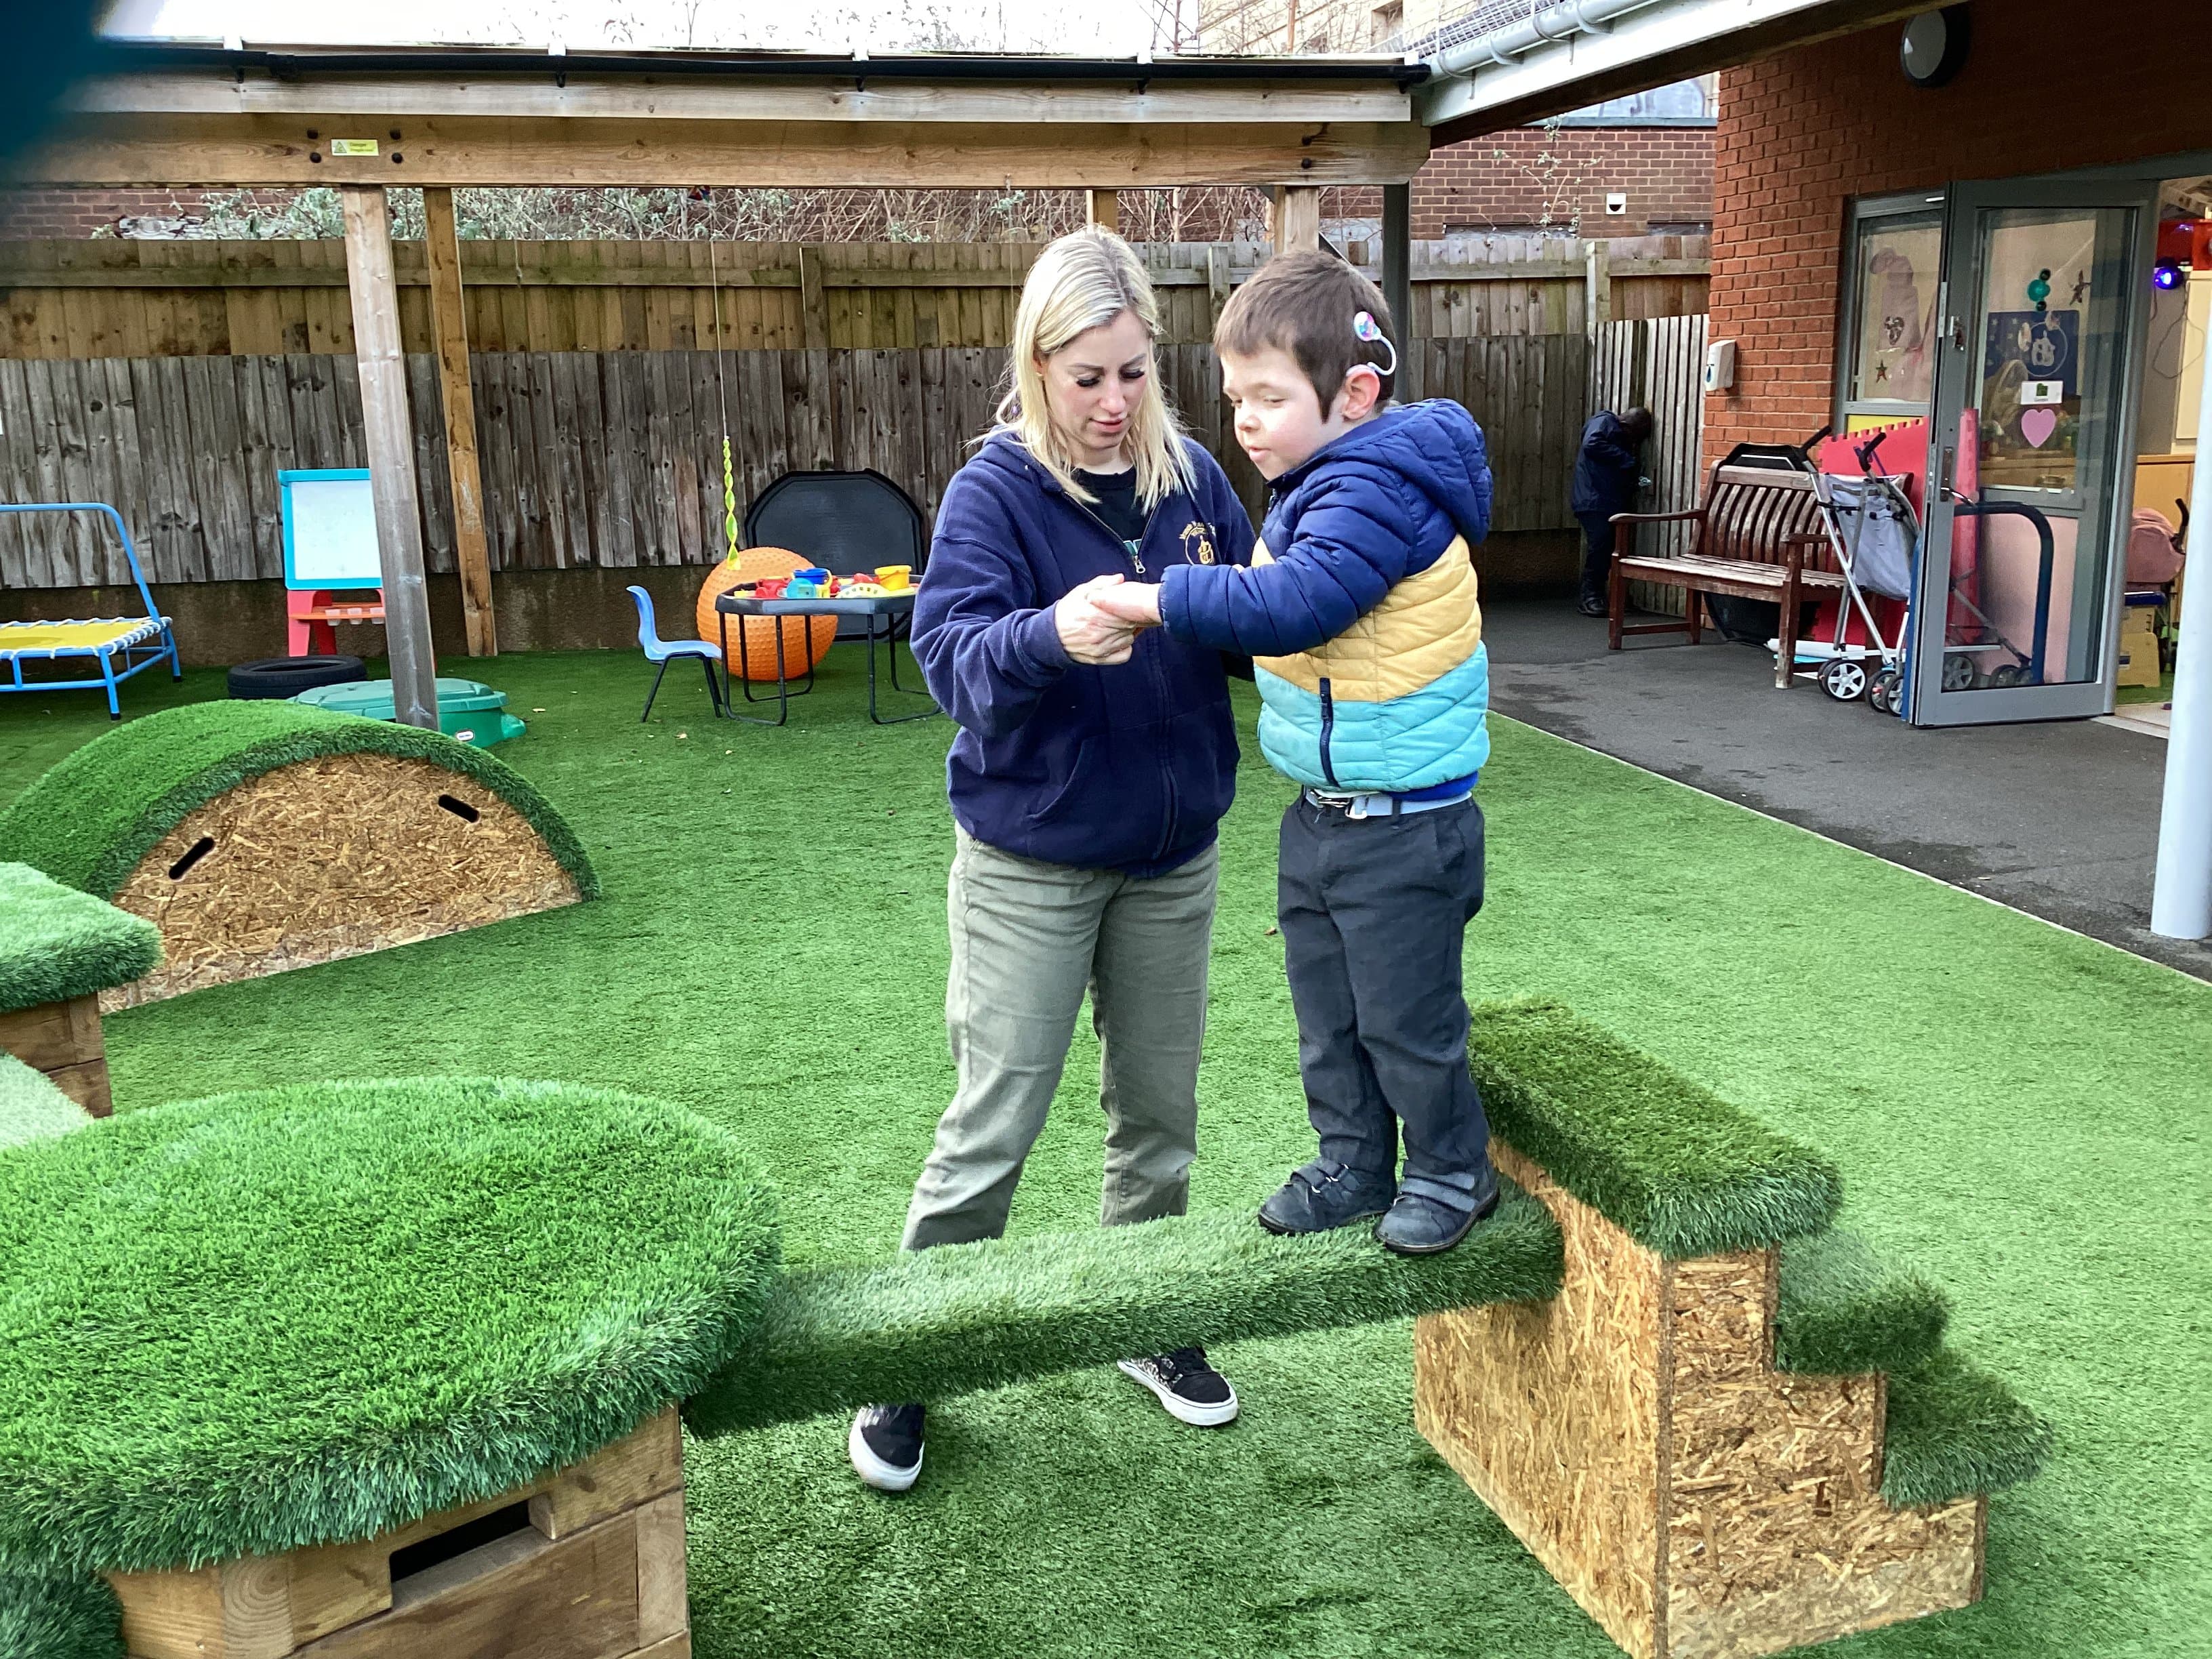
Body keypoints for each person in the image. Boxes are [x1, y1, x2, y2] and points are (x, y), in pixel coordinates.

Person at [846, 227, 1257, 1496]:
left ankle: (1141, 1315)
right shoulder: (994, 493)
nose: (1109, 403)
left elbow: (1251, 611)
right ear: (1036, 363)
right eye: (1084, 376)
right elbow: (951, 663)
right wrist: (1044, 634)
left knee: (1159, 1113)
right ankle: (907, 1351)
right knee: (994, 1119)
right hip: (1029, 862)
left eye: (1131, 372)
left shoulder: (1191, 482)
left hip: (1171, 859)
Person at [1093, 251, 1499, 1257]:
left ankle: (1454, 1172)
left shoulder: (1377, 488)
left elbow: (1296, 605)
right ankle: (1356, 1164)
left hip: (1406, 829)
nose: (1246, 420)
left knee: (1407, 1022)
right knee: (1329, 1018)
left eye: (1270, 397)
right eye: (1237, 397)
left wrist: (1159, 600)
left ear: (1355, 393)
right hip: (1326, 814)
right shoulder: (1319, 483)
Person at [1571, 405, 1652, 616]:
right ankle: (1590, 598)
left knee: (1607, 549)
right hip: (1593, 499)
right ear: (1628, 426)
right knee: (1600, 548)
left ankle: (1607, 596)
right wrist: (1625, 459)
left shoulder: (1612, 429)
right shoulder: (1606, 422)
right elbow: (1592, 443)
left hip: (1602, 500)